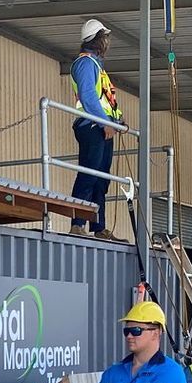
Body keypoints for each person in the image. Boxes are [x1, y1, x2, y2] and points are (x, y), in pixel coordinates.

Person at [68, 18, 124, 238]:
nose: (108, 43)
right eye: (105, 38)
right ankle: (77, 223)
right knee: (89, 174)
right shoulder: (85, 64)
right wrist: (105, 123)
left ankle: (98, 226)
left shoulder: (97, 67)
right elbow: (89, 98)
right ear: (98, 41)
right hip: (92, 126)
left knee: (101, 178)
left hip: (103, 127)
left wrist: (117, 122)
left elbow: (105, 100)